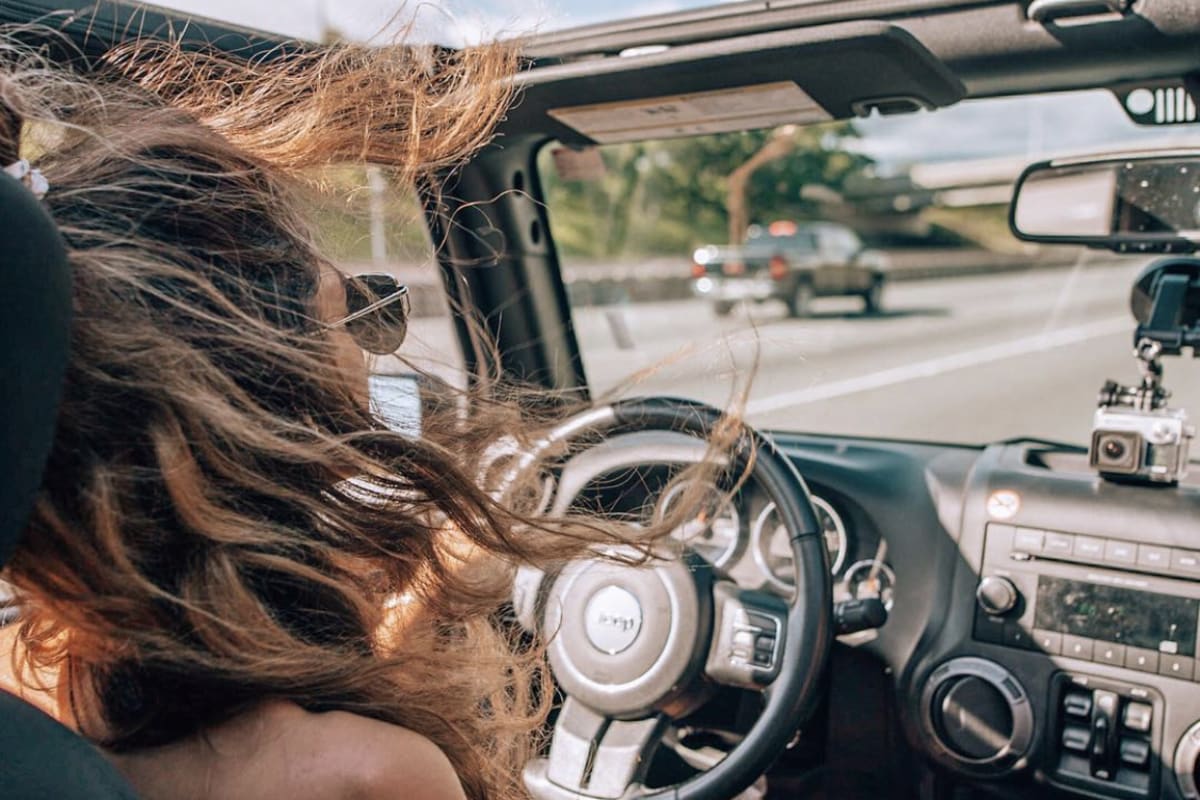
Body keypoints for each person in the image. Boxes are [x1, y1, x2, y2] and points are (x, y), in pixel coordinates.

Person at [0, 26, 725, 800]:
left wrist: (421, 606)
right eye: (358, 315)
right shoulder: (370, 775)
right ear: (276, 402)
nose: (371, 355)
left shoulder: (21, 688)